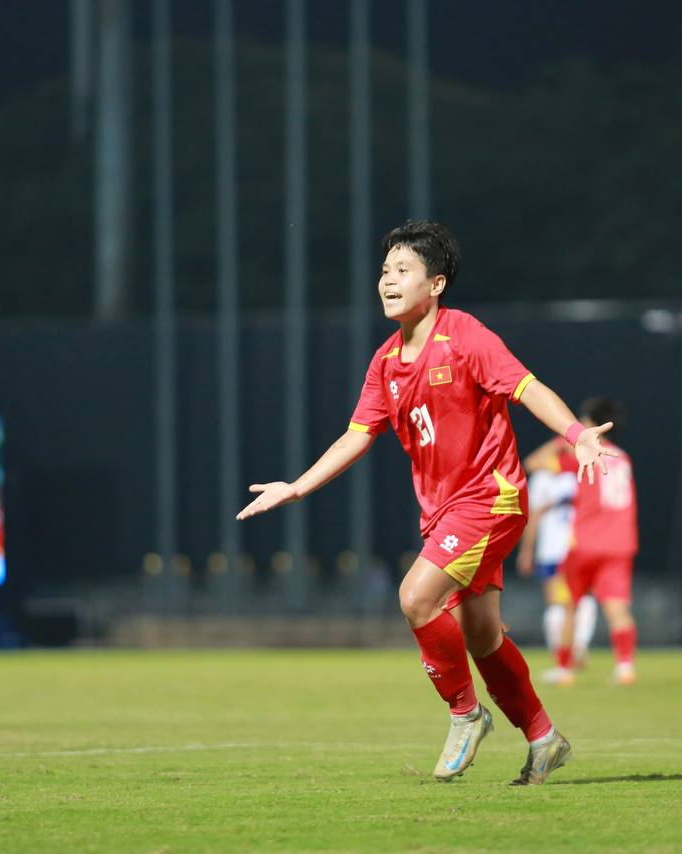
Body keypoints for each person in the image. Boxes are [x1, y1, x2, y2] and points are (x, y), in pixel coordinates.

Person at [237, 220, 614, 785]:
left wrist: (575, 434)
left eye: (402, 270)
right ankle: (544, 738)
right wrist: (297, 486)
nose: (388, 281)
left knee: (415, 598)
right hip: (444, 512)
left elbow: (527, 387)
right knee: (482, 635)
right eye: (384, 270)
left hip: (490, 498)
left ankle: (466, 715)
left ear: (435, 284)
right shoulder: (386, 362)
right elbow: (356, 436)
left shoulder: (464, 336)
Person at [528, 398, 639, 686]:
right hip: (620, 542)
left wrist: (564, 438)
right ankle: (625, 667)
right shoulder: (623, 458)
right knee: (617, 607)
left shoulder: (583, 453)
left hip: (586, 542)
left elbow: (533, 462)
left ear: (589, 423)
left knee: (569, 606)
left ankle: (564, 669)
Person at [516, 442, 598, 663]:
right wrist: (527, 551)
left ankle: (574, 650)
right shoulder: (546, 477)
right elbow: (533, 517)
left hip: (577, 547)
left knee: (579, 600)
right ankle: (563, 652)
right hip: (554, 548)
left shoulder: (579, 471)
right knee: (560, 602)